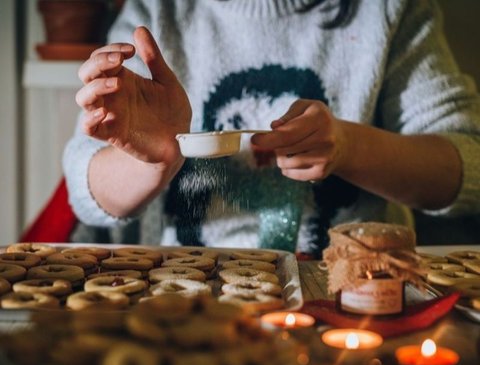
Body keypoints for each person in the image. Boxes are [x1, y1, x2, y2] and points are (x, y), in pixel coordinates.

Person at [63, 0, 480, 258]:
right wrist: (151, 163)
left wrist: (350, 147)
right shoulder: (156, 12)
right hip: (190, 293)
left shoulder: (388, 9)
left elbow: (466, 167)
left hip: (356, 292)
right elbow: (87, 188)